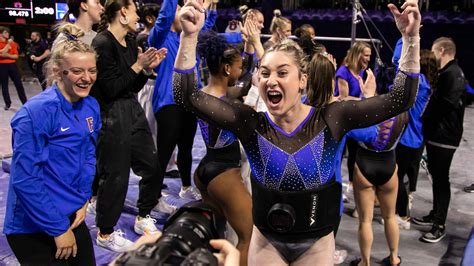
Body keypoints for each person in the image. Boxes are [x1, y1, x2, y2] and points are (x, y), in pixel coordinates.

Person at [172, 0, 420, 264]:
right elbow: (185, 95)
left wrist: (411, 38)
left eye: (282, 72)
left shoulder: (332, 118)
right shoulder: (250, 122)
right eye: (265, 73)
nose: (271, 80)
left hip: (316, 244)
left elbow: (401, 99)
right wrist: (189, 36)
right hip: (266, 243)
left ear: (302, 80)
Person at [3, 38, 100, 265]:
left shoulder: (91, 106)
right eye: (77, 71)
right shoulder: (35, 113)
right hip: (32, 224)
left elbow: (88, 154)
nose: (87, 78)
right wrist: (57, 229)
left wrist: (84, 198)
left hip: (71, 212)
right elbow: (26, 180)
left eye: (92, 70)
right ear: (58, 72)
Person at [91, 0, 167, 252]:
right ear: (123, 12)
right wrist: (137, 66)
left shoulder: (131, 42)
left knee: (152, 165)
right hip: (111, 115)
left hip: (132, 109)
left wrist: (145, 71)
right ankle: (105, 232)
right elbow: (110, 88)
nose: (138, 16)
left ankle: (143, 215)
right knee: (116, 177)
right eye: (135, 11)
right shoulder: (102, 43)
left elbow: (131, 85)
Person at [194, 30, 256, 265]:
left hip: (205, 170)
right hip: (224, 173)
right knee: (249, 235)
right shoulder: (227, 104)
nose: (240, 72)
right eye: (237, 67)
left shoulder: (203, 95)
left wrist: (251, 45)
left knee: (214, 234)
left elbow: (244, 82)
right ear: (227, 69)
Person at [148, 0, 217, 202]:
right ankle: (152, 199)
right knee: (164, 152)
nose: (185, 12)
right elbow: (163, 20)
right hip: (168, 103)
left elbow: (208, 24)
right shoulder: (160, 37)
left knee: (186, 148)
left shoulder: (188, 38)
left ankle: (186, 186)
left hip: (188, 101)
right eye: (180, 10)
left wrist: (211, 6)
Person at [413, 37, 467, 243]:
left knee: (441, 179)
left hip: (445, 137)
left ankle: (439, 225)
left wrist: (425, 116)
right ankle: (435, 214)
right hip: (439, 134)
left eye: (434, 52)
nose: (432, 56)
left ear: (442, 51)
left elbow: (444, 104)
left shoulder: (453, 74)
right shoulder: (449, 73)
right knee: (437, 177)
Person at [395, 49, 437, 229]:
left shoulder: (418, 81)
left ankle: (402, 216)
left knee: (397, 177)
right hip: (417, 138)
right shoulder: (427, 82)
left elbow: (400, 74)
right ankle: (402, 210)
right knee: (404, 176)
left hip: (408, 139)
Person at [335, 41, 372, 217]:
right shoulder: (343, 71)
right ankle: (338, 189)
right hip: (342, 118)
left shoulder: (363, 72)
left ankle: (350, 188)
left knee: (355, 155)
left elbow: (362, 94)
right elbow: (343, 97)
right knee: (340, 155)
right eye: (366, 55)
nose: (368, 58)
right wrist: (366, 100)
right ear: (357, 54)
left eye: (370, 55)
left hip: (356, 119)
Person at [0, 27, 27, 110]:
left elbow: (16, 56)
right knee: (4, 85)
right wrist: (7, 46)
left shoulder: (13, 43)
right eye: (5, 32)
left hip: (12, 65)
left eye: (8, 32)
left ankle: (25, 102)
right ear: (0, 34)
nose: (8, 34)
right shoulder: (7, 43)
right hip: (2, 66)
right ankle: (7, 103)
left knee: (19, 84)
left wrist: (7, 55)